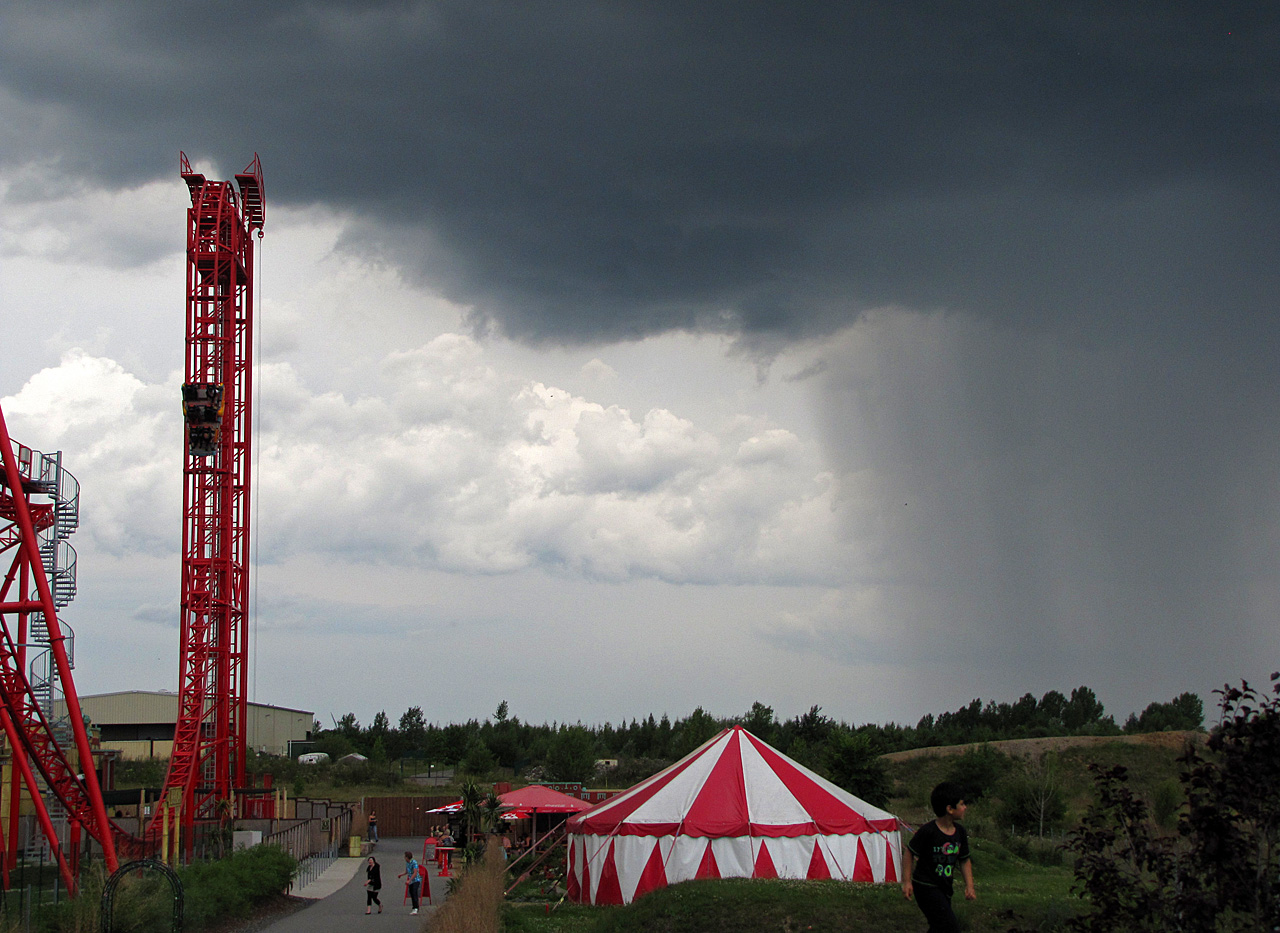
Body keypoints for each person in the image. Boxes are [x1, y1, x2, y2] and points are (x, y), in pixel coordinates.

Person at [902, 781, 975, 933]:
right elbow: (909, 852)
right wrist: (907, 882)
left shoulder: (960, 832)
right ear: (950, 809)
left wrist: (969, 886)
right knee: (950, 927)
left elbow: (964, 860)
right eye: (962, 804)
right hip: (925, 886)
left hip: (945, 888)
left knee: (938, 927)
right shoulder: (928, 831)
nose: (965, 807)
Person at [399, 850, 421, 915]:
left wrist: (409, 880)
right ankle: (414, 907)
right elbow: (407, 871)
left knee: (414, 892)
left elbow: (415, 873)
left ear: (407, 857)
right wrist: (401, 875)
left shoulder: (414, 862)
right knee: (411, 893)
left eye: (405, 857)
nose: (404, 858)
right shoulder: (407, 863)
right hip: (411, 881)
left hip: (416, 880)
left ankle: (416, 908)